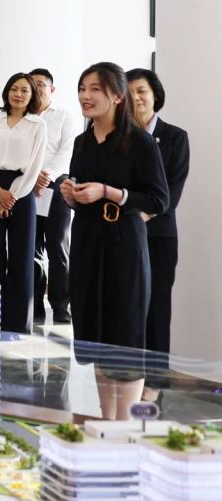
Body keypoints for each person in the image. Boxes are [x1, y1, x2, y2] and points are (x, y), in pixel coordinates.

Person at [61, 62, 168, 418]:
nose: (85, 96)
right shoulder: (82, 141)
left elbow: (158, 199)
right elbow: (81, 189)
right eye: (82, 88)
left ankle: (125, 424)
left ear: (118, 96)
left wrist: (110, 192)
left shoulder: (139, 141)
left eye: (95, 89)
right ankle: (106, 420)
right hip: (87, 242)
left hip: (124, 244)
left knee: (125, 334)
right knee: (96, 333)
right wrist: (71, 195)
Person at [126, 67, 190, 391]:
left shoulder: (175, 137)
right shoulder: (118, 137)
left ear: (155, 95)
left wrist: (142, 216)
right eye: (129, 92)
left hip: (158, 235)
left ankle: (155, 377)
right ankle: (128, 373)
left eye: (141, 91)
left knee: (157, 305)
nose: (136, 97)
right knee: (127, 306)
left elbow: (172, 191)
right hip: (122, 234)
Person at [0, 73, 48, 333]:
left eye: (25, 90)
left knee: (22, 259)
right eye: (14, 89)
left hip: (22, 191)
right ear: (6, 91)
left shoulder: (38, 125)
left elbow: (34, 168)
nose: (18, 94)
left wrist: (9, 199)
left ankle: (18, 325)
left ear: (32, 95)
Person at [30, 67, 82, 324]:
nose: (36, 88)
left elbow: (67, 150)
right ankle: (35, 304)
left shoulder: (64, 116)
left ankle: (61, 306)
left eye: (41, 84)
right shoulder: (23, 116)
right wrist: (32, 177)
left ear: (52, 89)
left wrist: (47, 175)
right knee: (32, 248)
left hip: (57, 186)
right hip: (28, 187)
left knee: (58, 247)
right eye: (32, 84)